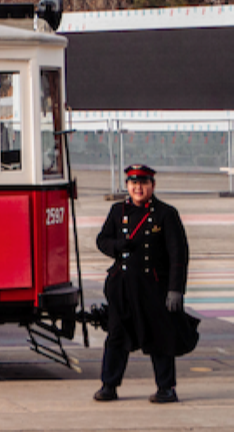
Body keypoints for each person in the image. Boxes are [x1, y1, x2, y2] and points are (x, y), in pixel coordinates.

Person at [94, 163, 190, 404]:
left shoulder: (166, 214)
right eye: (134, 183)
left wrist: (175, 290)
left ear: (152, 186)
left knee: (160, 337)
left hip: (154, 288)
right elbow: (102, 240)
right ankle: (109, 385)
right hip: (123, 287)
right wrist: (117, 246)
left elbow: (178, 254)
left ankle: (166, 388)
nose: (138, 187)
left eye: (143, 183)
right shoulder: (118, 211)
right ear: (127, 185)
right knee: (117, 336)